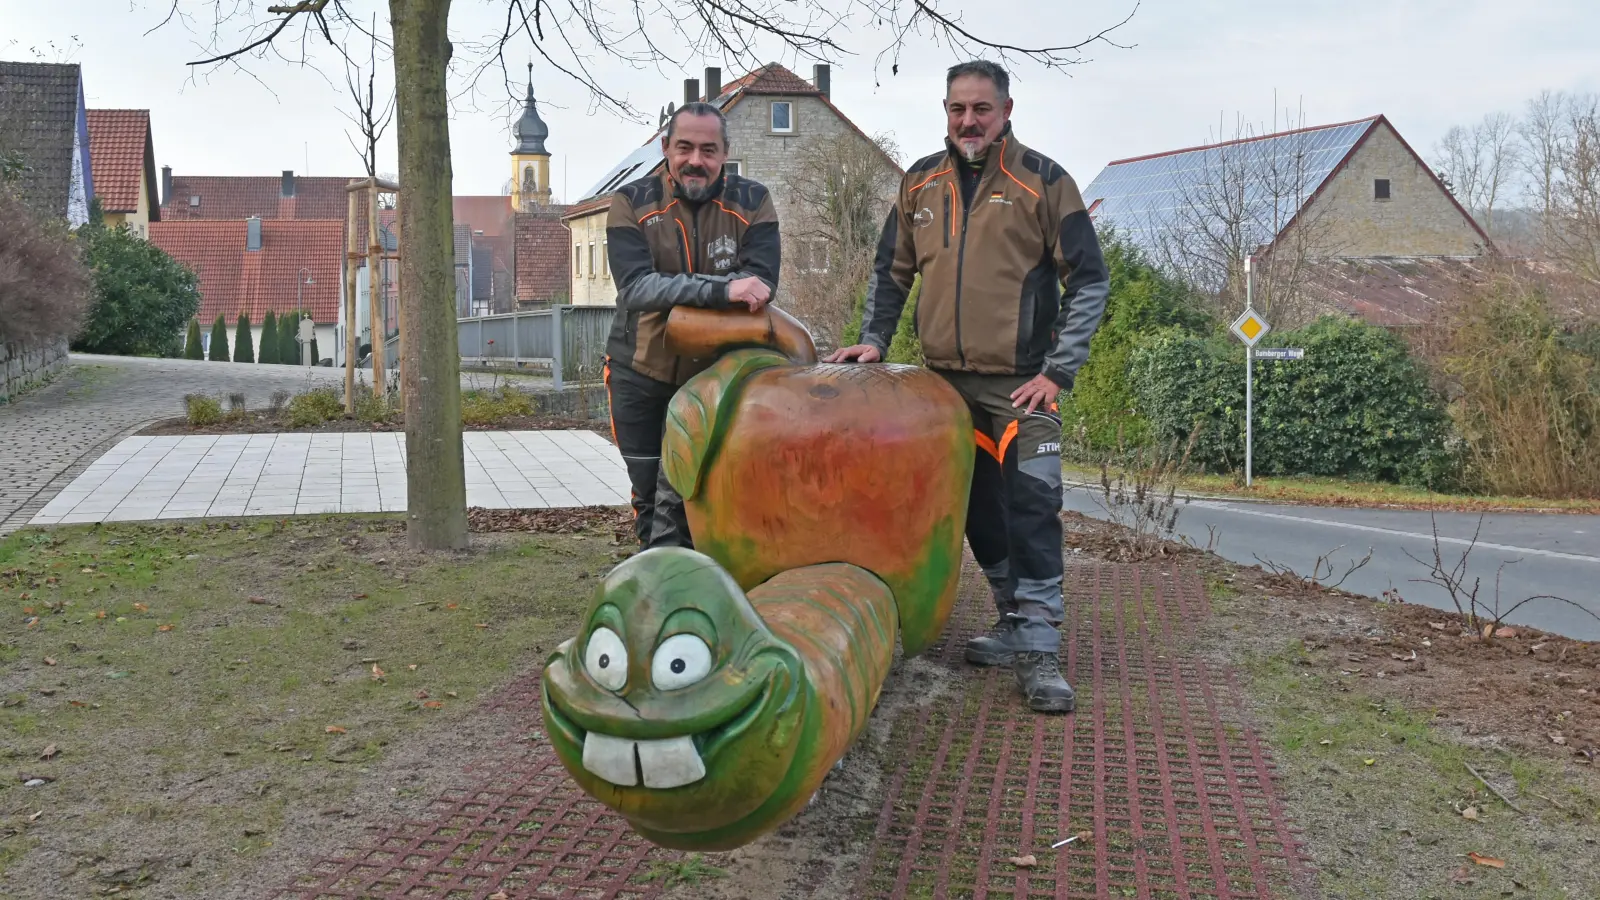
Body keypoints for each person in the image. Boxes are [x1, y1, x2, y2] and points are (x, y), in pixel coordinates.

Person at [825, 60, 1109, 713]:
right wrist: (874, 338)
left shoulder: (1043, 181)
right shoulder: (919, 183)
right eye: (958, 108)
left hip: (1023, 388)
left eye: (981, 108)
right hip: (942, 392)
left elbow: (1088, 279)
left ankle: (1039, 647)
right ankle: (1013, 621)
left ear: (1006, 111)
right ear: (946, 111)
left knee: (1033, 510)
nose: (968, 120)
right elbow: (891, 273)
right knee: (978, 511)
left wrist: (1058, 370)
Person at [604, 101, 781, 550]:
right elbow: (636, 289)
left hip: (717, 378)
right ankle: (656, 586)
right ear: (665, 147)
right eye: (684, 147)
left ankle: (708, 590)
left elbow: (761, 286)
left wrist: (693, 289)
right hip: (639, 372)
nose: (695, 160)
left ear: (725, 152)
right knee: (649, 496)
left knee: (708, 493)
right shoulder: (630, 202)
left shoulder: (754, 201)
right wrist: (722, 290)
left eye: (708, 149)